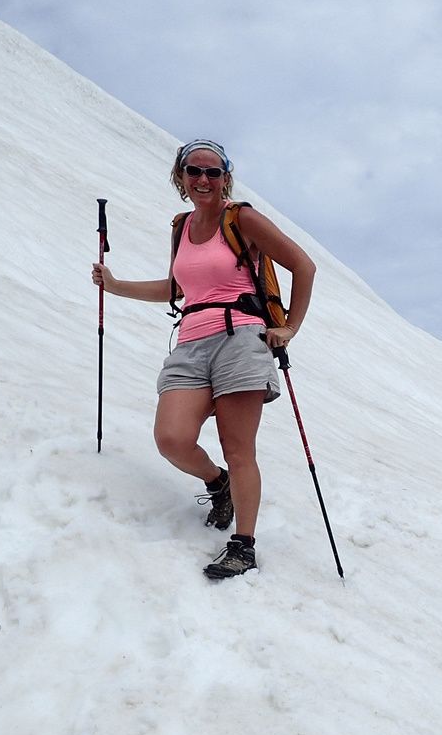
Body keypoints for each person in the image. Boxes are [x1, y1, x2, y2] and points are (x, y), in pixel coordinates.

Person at [92, 139, 316, 579]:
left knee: (239, 448)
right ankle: (218, 483)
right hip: (191, 342)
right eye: (194, 170)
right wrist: (116, 287)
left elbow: (303, 266)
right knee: (172, 439)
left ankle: (243, 546)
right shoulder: (181, 227)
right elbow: (178, 289)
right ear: (181, 176)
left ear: (225, 178)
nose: (203, 179)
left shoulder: (242, 218)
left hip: (241, 339)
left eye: (213, 172)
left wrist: (290, 327)